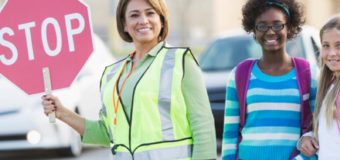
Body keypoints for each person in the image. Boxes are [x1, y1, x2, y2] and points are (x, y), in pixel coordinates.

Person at [42, 0, 217, 159]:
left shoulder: (181, 61)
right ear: (124, 25)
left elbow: (203, 128)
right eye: (134, 15)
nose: (143, 20)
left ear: (162, 20)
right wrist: (63, 113)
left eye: (150, 13)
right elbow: (107, 134)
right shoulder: (112, 73)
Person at [221, 0, 318, 159]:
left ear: (289, 27)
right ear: (253, 29)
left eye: (278, 25)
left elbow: (320, 128)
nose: (271, 31)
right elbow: (230, 133)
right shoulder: (239, 74)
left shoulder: (309, 74)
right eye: (262, 25)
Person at [298, 14, 340, 160]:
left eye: (339, 45)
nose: (332, 53)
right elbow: (330, 134)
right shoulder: (330, 86)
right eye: (326, 45)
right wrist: (309, 137)